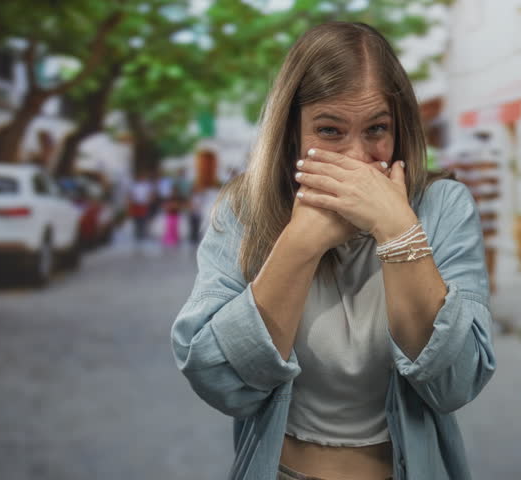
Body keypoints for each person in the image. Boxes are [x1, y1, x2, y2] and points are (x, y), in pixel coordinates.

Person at [171, 22, 495, 480]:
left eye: (376, 129)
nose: (357, 158)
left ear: (399, 129)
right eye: (330, 130)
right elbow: (217, 380)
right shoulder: (245, 209)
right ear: (292, 135)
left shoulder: (442, 208)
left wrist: (398, 231)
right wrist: (301, 243)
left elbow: (456, 384)